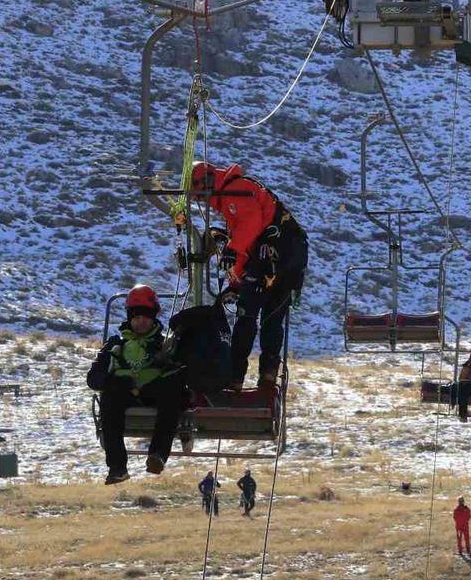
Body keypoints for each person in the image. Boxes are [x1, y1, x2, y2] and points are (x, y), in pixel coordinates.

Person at [188, 161, 309, 389]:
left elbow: (249, 228)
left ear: (207, 185)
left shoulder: (236, 192)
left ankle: (241, 375)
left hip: (277, 260)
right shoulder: (236, 197)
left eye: (199, 196)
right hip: (286, 261)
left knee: (251, 317)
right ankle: (261, 374)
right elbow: (246, 239)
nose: (201, 202)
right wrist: (236, 280)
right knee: (265, 318)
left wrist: (232, 252)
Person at [87, 284, 185, 485]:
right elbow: (93, 378)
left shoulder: (165, 345)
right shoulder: (116, 344)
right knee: (110, 397)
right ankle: (117, 466)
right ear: (130, 318)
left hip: (154, 391)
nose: (141, 322)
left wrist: (166, 366)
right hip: (122, 393)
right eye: (137, 317)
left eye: (146, 318)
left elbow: (182, 372)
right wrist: (113, 380)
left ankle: (157, 455)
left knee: (173, 392)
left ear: (153, 318)